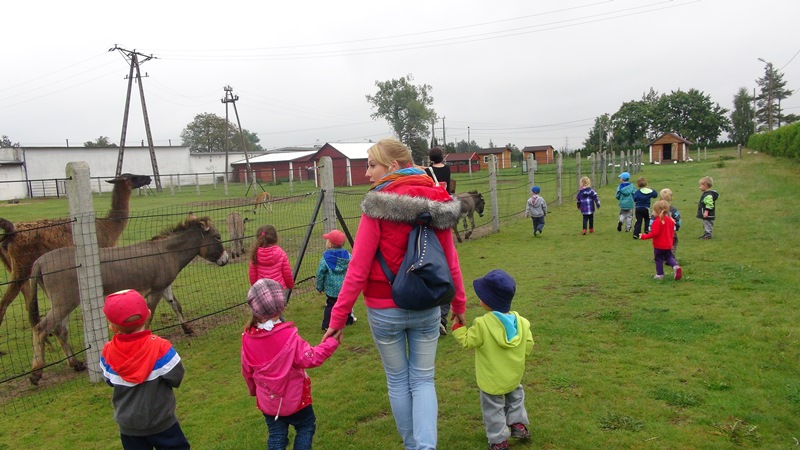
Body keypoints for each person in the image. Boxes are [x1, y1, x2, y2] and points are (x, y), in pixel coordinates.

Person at [323, 138, 467, 450]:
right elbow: (450, 261)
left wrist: (337, 317)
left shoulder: (377, 202)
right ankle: (425, 446)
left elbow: (358, 267)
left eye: (371, 164)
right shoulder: (437, 199)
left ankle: (413, 445)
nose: (367, 173)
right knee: (424, 380)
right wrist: (460, 304)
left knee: (399, 381)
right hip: (427, 305)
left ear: (392, 166)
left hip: (383, 308)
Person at [242, 278, 340, 450]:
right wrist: (331, 342)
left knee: (277, 436)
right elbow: (311, 357)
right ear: (282, 306)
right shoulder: (289, 337)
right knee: (305, 426)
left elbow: (247, 371)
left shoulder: (248, 338)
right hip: (295, 399)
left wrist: (253, 390)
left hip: (268, 401)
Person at [452, 270, 534, 450]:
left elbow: (468, 342)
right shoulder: (522, 322)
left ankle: (499, 440)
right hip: (513, 376)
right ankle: (518, 425)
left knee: (493, 408)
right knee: (516, 398)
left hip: (491, 380)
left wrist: (458, 327)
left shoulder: (482, 324)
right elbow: (528, 345)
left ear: (488, 300)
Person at [99, 289, 190, 450]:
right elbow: (176, 376)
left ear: (112, 327)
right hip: (162, 422)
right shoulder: (160, 347)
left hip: (129, 426)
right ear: (148, 314)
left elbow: (110, 380)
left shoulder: (108, 352)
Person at [315, 229, 356, 330]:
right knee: (346, 304)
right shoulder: (348, 255)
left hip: (332, 288)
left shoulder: (326, 258)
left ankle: (326, 324)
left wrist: (319, 286)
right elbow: (353, 267)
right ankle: (348, 320)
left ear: (330, 244)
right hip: (345, 287)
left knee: (330, 305)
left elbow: (320, 272)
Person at [640, 200, 683, 281]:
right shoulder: (671, 220)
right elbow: (672, 232)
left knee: (658, 259)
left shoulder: (657, 222)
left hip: (659, 245)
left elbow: (654, 233)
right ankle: (675, 266)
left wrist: (643, 236)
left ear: (657, 212)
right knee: (669, 257)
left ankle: (660, 274)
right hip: (668, 244)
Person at [248, 224, 295, 290]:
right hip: (279, 290)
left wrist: (256, 288)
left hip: (262, 291)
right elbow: (287, 273)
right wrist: (290, 285)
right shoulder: (281, 253)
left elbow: (252, 275)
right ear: (275, 238)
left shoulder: (255, 254)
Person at [655, 188, 681, 258]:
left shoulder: (657, 209)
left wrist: (651, 227)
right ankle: (670, 256)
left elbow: (652, 218)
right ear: (671, 198)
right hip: (671, 231)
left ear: (660, 198)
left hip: (660, 231)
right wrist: (677, 226)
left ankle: (662, 256)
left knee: (661, 243)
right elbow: (678, 219)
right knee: (673, 242)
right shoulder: (674, 209)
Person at [697, 176, 718, 240]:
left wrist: (706, 211)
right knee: (706, 223)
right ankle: (706, 233)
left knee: (708, 223)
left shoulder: (708, 195)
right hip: (706, 213)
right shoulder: (707, 194)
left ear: (705, 185)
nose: (700, 187)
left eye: (701, 185)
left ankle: (708, 235)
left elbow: (709, 204)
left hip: (708, 214)